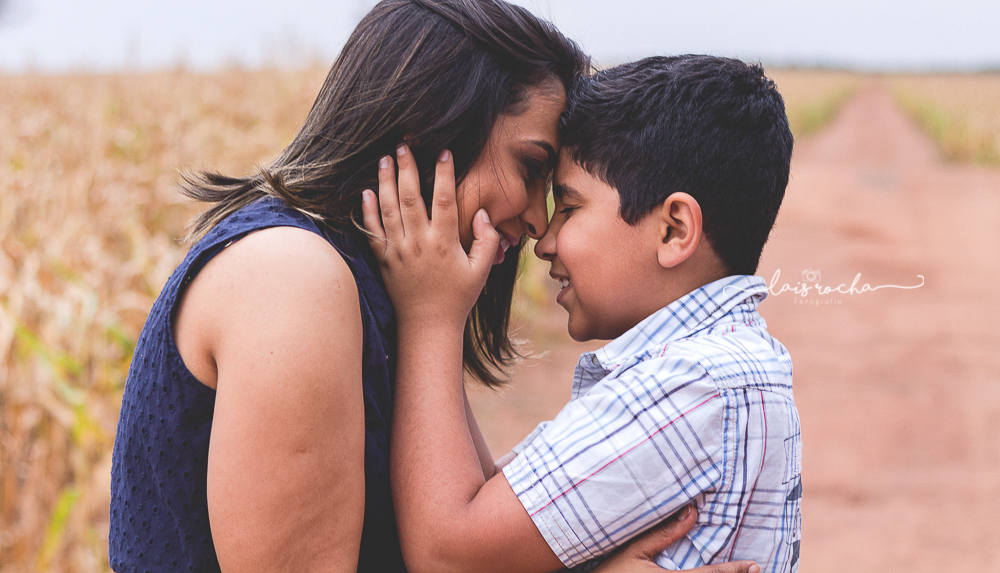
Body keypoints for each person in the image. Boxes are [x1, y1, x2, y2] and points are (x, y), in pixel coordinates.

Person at [107, 0, 757, 571]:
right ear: (430, 122)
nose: (537, 221)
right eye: (531, 167)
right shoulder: (293, 276)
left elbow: (471, 529)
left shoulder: (391, 291)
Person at [362, 55, 800, 572]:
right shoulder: (726, 365)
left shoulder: (692, 383)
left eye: (568, 207)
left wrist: (431, 318)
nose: (544, 240)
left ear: (674, 230)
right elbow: (499, 501)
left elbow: (448, 556)